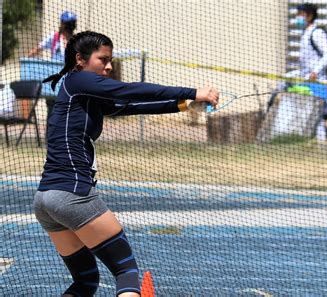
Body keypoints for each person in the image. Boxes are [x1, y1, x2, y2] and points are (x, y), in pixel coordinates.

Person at [33, 31, 219, 296]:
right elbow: (128, 89)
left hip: (45, 200)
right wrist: (194, 90)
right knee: (126, 272)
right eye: (103, 59)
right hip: (72, 194)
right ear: (80, 60)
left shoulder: (82, 96)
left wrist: (184, 104)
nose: (109, 66)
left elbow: (130, 104)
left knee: (85, 283)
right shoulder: (77, 81)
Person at [268, 3, 327, 141]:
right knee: (307, 115)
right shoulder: (305, 33)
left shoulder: (317, 33)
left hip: (318, 81)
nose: (298, 17)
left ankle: (320, 143)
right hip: (306, 80)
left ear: (310, 15)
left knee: (318, 117)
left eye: (301, 14)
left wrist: (315, 72)